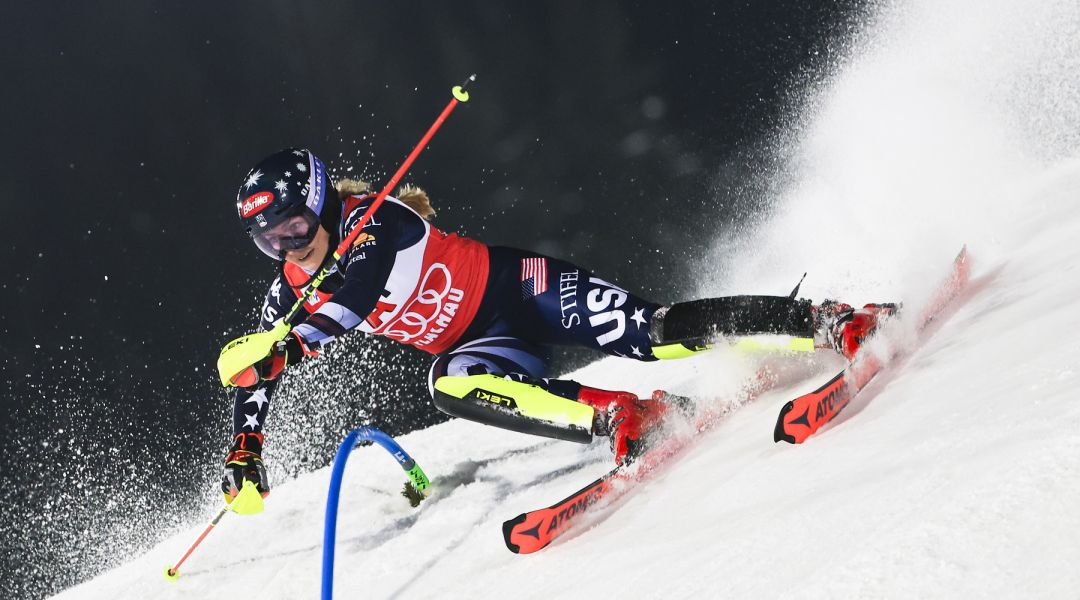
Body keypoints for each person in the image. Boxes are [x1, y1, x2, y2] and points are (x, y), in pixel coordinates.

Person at [220, 148, 893, 505]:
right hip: (483, 344)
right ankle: (625, 416)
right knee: (448, 383)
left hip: (522, 291)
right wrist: (246, 446)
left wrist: (292, 347)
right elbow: (258, 372)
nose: (289, 248)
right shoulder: (290, 288)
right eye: (269, 241)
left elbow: (358, 294)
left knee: (651, 335)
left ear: (319, 204)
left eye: (295, 228)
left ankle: (826, 320)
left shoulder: (372, 220)